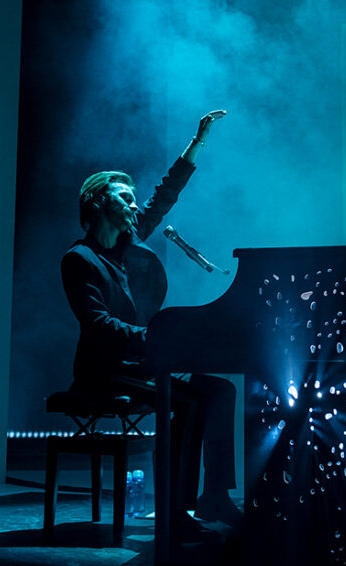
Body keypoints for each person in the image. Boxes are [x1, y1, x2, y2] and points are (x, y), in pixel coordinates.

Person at [60, 110, 240, 535]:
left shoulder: (127, 244)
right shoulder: (78, 259)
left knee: (219, 390)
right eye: (124, 198)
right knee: (189, 400)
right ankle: (175, 511)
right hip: (104, 373)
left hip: (139, 366)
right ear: (99, 203)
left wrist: (196, 144)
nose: (134, 204)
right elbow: (99, 326)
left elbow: (165, 194)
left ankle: (214, 496)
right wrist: (158, 338)